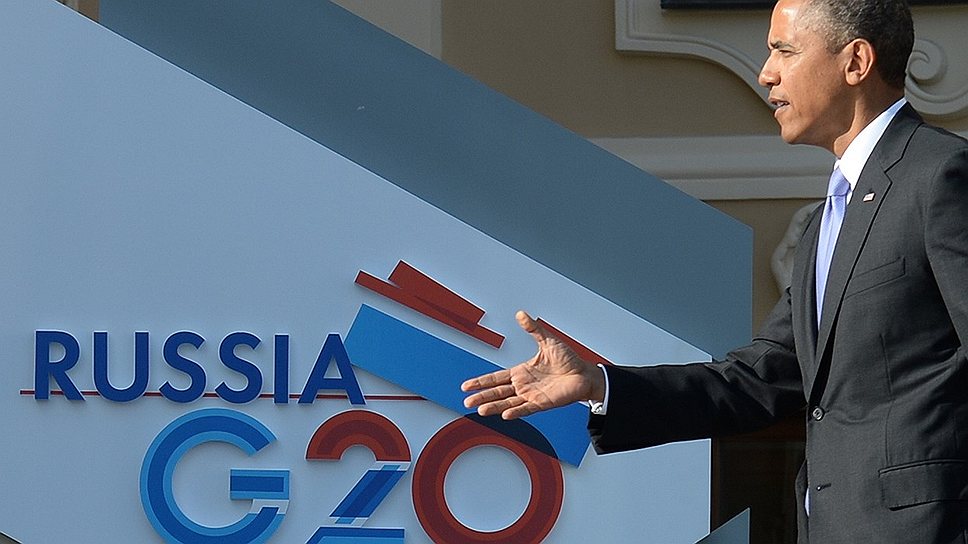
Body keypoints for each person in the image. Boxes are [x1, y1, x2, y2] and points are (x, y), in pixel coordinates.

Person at [461, 0, 968, 542]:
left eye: (784, 51)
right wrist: (598, 383)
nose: (766, 74)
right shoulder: (829, 218)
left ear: (856, 62)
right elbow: (759, 380)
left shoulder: (941, 176)